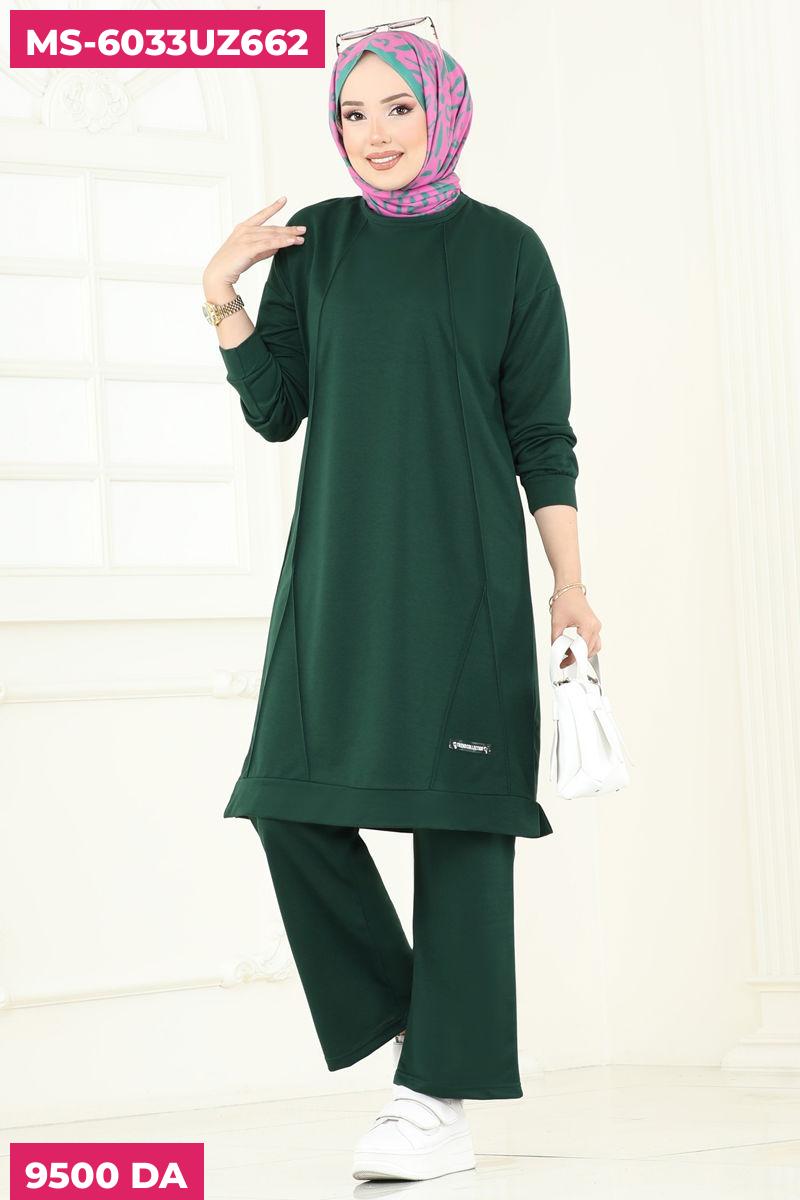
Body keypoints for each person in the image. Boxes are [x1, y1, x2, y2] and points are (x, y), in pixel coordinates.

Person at [201, 24, 602, 1184]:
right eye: (352, 113)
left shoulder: (507, 254)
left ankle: (433, 1100)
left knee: (461, 828)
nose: (373, 134)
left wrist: (569, 583)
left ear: (442, 112)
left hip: (465, 584)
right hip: (336, 581)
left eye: (396, 109)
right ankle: (435, 1029)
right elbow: (276, 410)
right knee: (286, 801)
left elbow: (542, 437)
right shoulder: (316, 246)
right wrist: (223, 298)